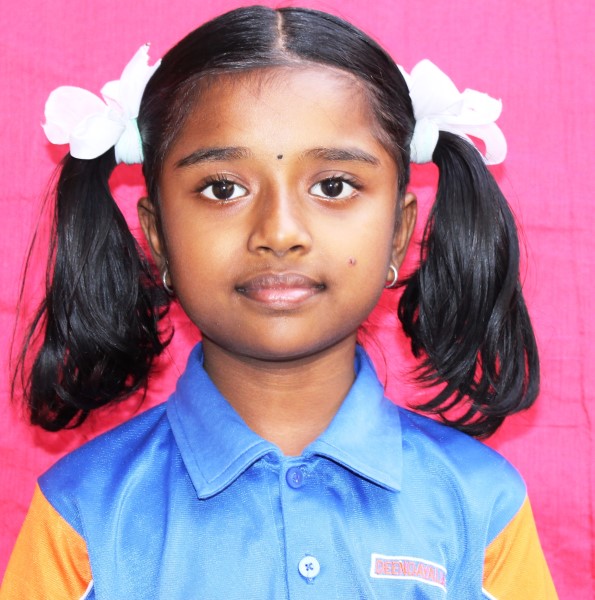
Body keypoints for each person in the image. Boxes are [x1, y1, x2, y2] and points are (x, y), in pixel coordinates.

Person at [0, 5, 557, 599]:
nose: (280, 231)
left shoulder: (481, 505)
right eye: (223, 188)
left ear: (398, 233)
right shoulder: (83, 514)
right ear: (158, 237)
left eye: (333, 186)